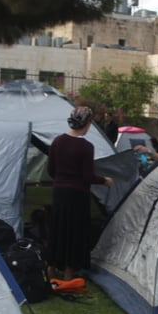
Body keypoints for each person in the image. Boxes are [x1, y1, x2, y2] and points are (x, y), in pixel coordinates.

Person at [47, 106, 113, 281]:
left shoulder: (57, 142)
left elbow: (51, 170)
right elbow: (87, 176)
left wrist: (61, 180)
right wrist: (104, 180)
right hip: (77, 195)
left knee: (58, 229)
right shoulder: (86, 147)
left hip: (59, 192)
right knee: (74, 231)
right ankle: (69, 271)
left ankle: (51, 268)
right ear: (88, 123)